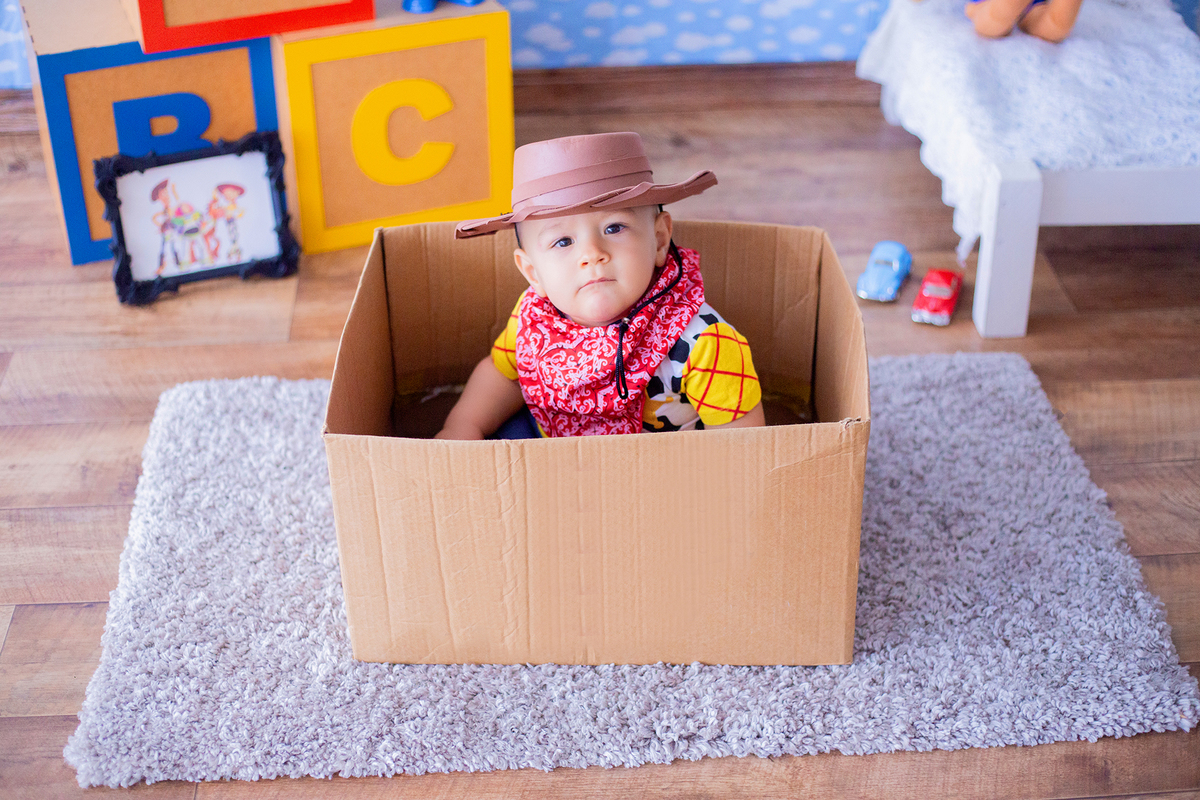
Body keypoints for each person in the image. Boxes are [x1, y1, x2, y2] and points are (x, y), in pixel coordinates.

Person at [438, 132, 766, 439]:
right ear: (533, 272)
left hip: (663, 466)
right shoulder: (533, 320)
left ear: (660, 239)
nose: (592, 255)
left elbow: (742, 447)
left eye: (613, 228)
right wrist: (464, 426)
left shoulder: (705, 344)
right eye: (563, 241)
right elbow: (505, 376)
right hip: (546, 439)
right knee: (499, 452)